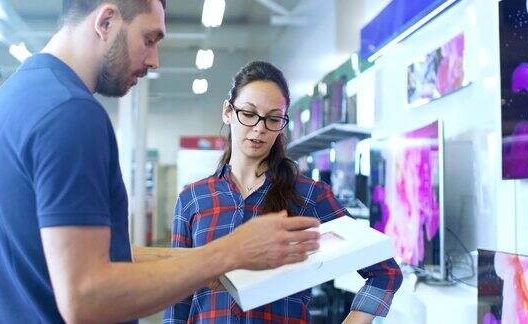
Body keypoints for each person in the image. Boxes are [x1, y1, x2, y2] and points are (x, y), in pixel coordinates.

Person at [0, 1, 323, 323]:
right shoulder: (71, 113)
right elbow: (87, 296)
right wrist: (228, 252)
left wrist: (217, 268)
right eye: (149, 39)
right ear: (106, 20)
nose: (154, 61)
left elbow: (97, 257)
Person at [163, 61, 403, 324]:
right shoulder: (193, 199)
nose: (259, 128)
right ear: (228, 112)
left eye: (273, 119)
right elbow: (178, 294)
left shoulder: (309, 196)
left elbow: (385, 271)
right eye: (249, 113)